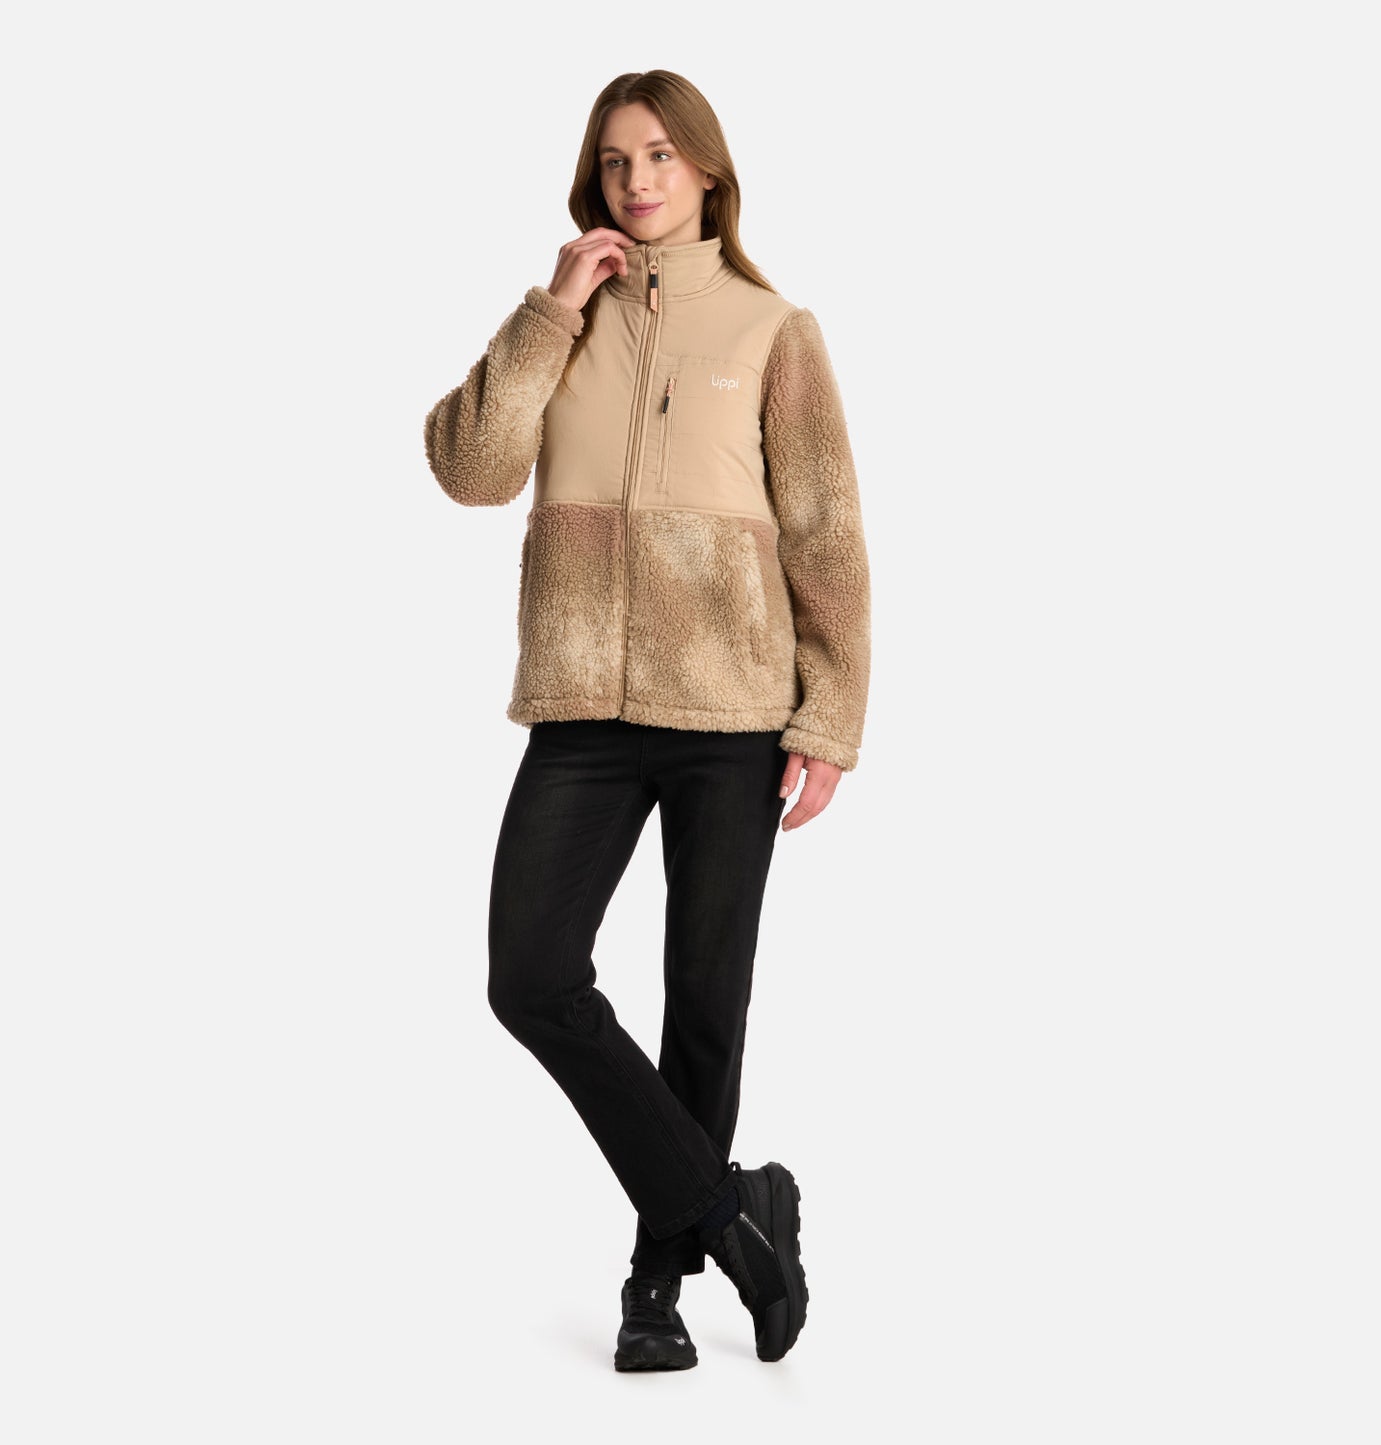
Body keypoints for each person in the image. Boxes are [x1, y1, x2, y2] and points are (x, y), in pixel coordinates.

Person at [423, 69, 871, 1370]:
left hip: (734, 710)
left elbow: (825, 532)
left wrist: (829, 717)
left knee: (703, 1002)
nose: (637, 180)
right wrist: (552, 307)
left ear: (708, 172)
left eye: (661, 155)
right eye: (616, 160)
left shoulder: (772, 329)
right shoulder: (561, 321)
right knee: (532, 975)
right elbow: (470, 468)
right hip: (583, 706)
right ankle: (733, 1214)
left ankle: (656, 1285)